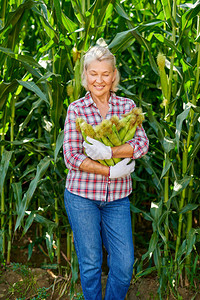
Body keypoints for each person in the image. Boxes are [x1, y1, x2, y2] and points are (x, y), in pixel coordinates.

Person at [63, 44, 149, 300]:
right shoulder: (76, 110)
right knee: (90, 265)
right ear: (85, 76)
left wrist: (111, 152)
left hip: (117, 200)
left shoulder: (127, 106)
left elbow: (142, 143)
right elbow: (71, 156)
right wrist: (108, 171)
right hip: (82, 197)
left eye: (105, 74)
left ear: (113, 77)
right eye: (93, 73)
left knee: (123, 266)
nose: (99, 80)